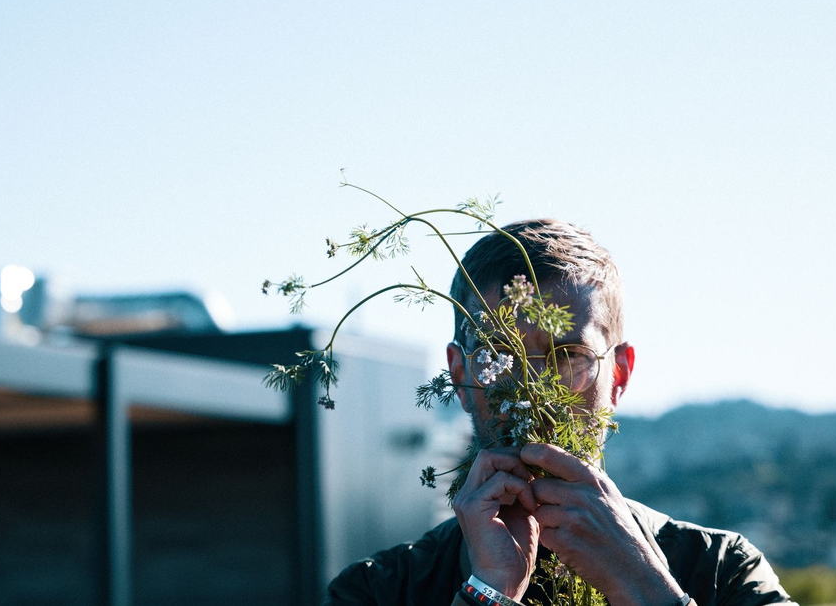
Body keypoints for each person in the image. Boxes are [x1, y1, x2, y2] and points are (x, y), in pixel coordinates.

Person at [324, 219, 796, 606]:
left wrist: (642, 587)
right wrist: (488, 593)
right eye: (499, 356)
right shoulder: (380, 591)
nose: (533, 393)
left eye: (568, 357)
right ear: (458, 375)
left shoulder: (721, 570)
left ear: (619, 376)